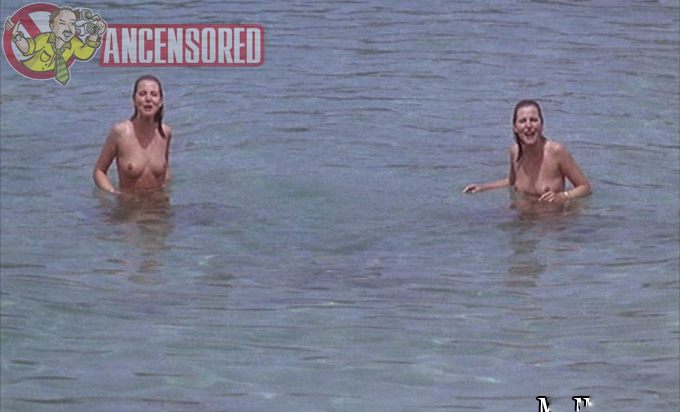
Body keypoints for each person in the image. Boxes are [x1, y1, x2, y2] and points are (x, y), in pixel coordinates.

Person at [463, 100, 591, 203]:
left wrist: (564, 196)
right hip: (522, 216)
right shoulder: (515, 152)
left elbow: (585, 188)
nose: (528, 125)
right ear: (515, 127)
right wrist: (483, 187)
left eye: (533, 120)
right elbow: (512, 181)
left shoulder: (556, 152)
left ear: (541, 125)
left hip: (551, 221)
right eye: (522, 121)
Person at [93, 75, 172, 195]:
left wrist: (167, 190)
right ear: (134, 100)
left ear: (160, 101)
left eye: (154, 94)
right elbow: (99, 171)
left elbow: (166, 170)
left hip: (160, 203)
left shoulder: (165, 133)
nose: (148, 98)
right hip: (129, 203)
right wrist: (113, 193)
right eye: (142, 94)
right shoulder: (120, 132)